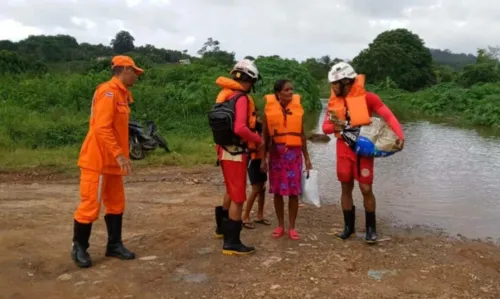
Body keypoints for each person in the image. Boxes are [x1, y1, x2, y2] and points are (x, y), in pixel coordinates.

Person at [71, 55, 144, 268]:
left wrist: (122, 154)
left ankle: (114, 245)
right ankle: (79, 247)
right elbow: (101, 128)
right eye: (135, 72)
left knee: (116, 203)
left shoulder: (122, 95)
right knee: (90, 204)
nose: (136, 77)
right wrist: (119, 154)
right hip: (98, 160)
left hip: (113, 161)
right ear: (124, 70)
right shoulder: (108, 92)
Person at [322, 62, 405, 244]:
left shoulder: (369, 98)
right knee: (345, 186)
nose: (333, 87)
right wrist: (340, 125)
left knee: (366, 188)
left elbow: (388, 116)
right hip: (343, 149)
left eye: (335, 84)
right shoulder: (334, 103)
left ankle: (370, 229)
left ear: (346, 81)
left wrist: (400, 135)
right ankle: (348, 227)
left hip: (363, 150)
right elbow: (325, 128)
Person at [211, 59, 262, 255]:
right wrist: (257, 139)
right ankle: (232, 243)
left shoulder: (226, 96)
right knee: (239, 197)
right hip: (235, 153)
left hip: (224, 151)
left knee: (231, 192)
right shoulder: (241, 98)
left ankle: (221, 230)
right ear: (251, 80)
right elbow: (240, 128)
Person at [261, 79, 312, 240]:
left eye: (291, 89)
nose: (290, 92)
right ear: (278, 93)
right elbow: (265, 137)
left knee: (293, 192)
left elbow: (302, 135)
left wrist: (307, 157)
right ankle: (280, 225)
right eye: (287, 90)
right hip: (276, 155)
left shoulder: (297, 110)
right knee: (277, 191)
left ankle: (292, 227)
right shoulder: (269, 111)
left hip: (294, 155)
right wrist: (263, 159)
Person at [242, 108, 271, 229]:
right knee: (255, 189)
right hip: (253, 160)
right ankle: (245, 217)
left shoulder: (263, 130)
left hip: (261, 160)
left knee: (262, 188)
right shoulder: (252, 129)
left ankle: (260, 215)